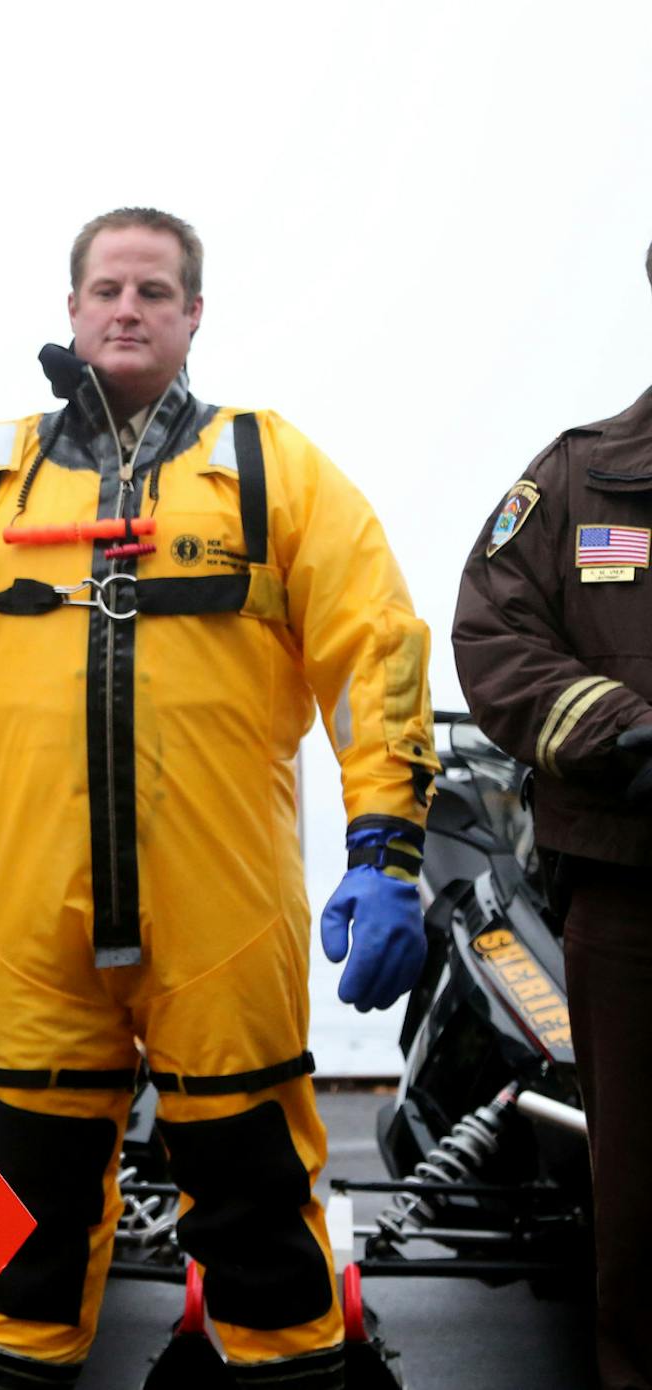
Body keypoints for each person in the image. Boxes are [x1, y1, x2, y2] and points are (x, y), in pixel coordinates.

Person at [0, 208, 439, 1390]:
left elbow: (375, 649)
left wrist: (386, 847)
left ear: (193, 317)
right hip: (34, 934)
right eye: (108, 290)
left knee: (259, 1220)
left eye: (155, 292)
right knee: (21, 1237)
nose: (128, 309)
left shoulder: (272, 469)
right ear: (71, 309)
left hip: (223, 926)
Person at [453, 259, 652, 1388]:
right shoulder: (582, 480)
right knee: (641, 1206)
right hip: (631, 902)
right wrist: (620, 732)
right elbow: (492, 633)